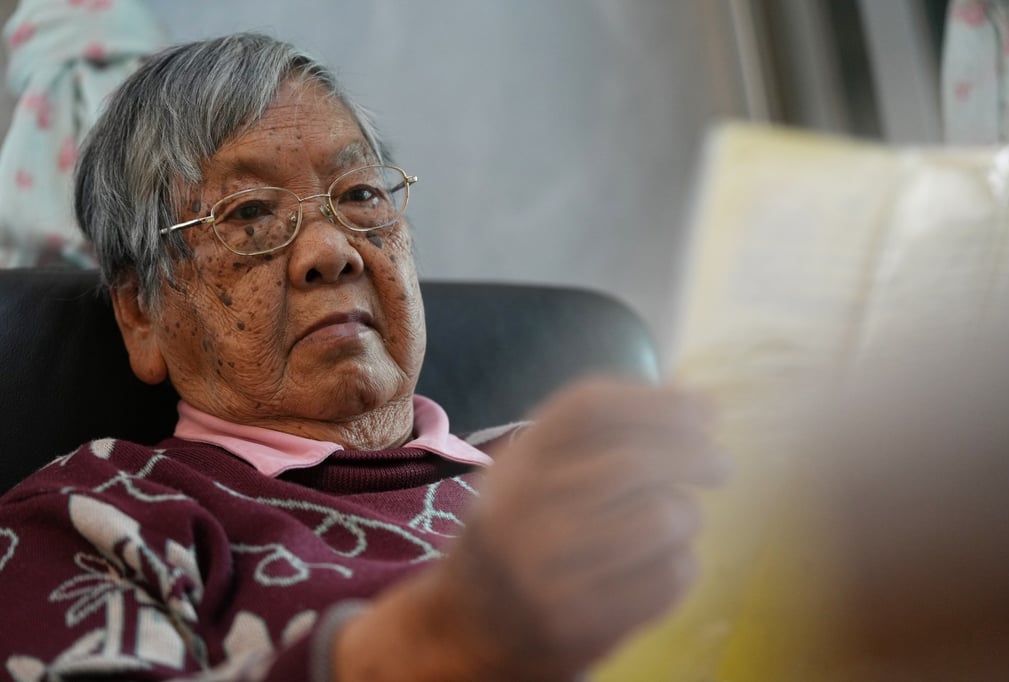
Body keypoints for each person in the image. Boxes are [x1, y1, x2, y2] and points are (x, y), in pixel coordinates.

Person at [0, 33, 724, 681]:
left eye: (362, 194)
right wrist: (443, 639)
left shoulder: (555, 473)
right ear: (140, 314)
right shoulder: (93, 520)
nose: (332, 250)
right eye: (250, 213)